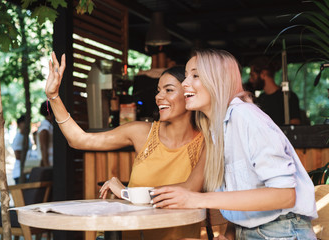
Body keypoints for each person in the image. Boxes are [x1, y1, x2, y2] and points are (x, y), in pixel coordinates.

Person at [151, 49, 317, 240]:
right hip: (248, 232)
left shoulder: (245, 116)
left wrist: (198, 199)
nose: (185, 83)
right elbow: (241, 199)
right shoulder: (217, 129)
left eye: (195, 75)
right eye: (186, 76)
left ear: (218, 80)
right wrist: (229, 236)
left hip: (281, 231)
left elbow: (285, 195)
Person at [45, 52, 205, 240]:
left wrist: (125, 192)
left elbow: (188, 190)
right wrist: (54, 96)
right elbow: (79, 140)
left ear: (188, 93)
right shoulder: (141, 132)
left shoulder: (207, 142)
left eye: (168, 90)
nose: (159, 96)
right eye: (158, 90)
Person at [249, 56, 301, 125]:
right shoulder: (259, 100)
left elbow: (295, 124)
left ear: (263, 74)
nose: (250, 80)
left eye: (252, 75)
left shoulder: (288, 97)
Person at [12, 115, 32, 184]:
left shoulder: (26, 137)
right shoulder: (19, 138)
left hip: (25, 171)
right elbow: (17, 156)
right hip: (19, 172)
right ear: (20, 124)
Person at [37, 101, 53, 167]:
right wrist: (47, 166)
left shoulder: (49, 126)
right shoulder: (45, 128)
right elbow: (43, 148)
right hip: (50, 162)